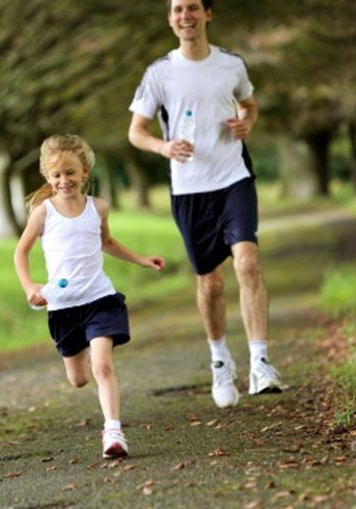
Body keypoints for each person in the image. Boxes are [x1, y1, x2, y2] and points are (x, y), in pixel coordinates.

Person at [127, 0, 282, 409]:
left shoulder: (231, 65)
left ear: (208, 14)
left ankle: (261, 362)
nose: (185, 15)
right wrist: (163, 146)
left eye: (193, 7)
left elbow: (249, 104)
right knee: (210, 283)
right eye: (178, 9)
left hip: (234, 178)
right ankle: (220, 361)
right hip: (189, 188)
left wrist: (247, 121)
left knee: (247, 262)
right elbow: (136, 132)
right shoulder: (159, 73)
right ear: (170, 19)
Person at [13, 134, 165, 459]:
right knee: (79, 379)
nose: (63, 180)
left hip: (99, 298)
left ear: (84, 171)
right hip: (64, 307)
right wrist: (30, 287)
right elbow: (20, 253)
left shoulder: (99, 208)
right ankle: (82, 349)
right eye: (56, 175)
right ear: (47, 178)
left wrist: (141, 258)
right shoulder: (43, 213)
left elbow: (106, 242)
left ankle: (113, 431)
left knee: (103, 366)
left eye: (70, 172)